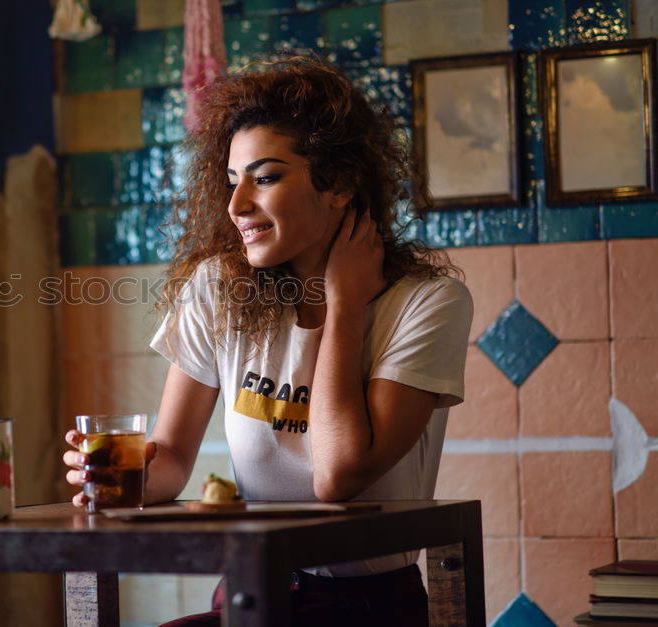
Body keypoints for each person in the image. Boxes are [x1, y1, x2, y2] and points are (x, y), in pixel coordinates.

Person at [62, 55, 473, 626]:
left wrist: (344, 303)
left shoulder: (429, 305)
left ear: (342, 183)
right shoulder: (219, 289)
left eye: (266, 177)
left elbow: (337, 475)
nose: (236, 206)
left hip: (370, 609)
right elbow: (174, 456)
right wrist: (116, 482)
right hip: (254, 591)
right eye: (232, 181)